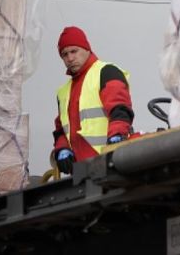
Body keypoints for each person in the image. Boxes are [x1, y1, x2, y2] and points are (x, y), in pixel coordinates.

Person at [51, 26, 133, 175]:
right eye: (64, 54)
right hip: (81, 171)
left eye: (74, 51)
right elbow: (61, 130)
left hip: (109, 163)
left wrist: (117, 136)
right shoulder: (63, 92)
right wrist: (62, 149)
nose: (70, 58)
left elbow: (120, 109)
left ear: (86, 48)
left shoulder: (106, 72)